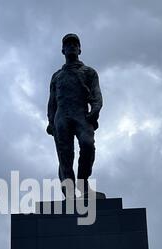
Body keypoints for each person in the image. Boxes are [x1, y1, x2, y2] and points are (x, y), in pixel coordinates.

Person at [46, 34, 103, 197]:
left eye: (74, 44)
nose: (71, 46)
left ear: (79, 49)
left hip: (81, 114)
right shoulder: (57, 76)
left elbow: (96, 94)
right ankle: (69, 191)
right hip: (61, 116)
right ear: (63, 50)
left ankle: (83, 184)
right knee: (65, 155)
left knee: (87, 145)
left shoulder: (89, 72)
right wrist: (51, 122)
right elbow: (52, 101)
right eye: (68, 44)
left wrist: (95, 110)